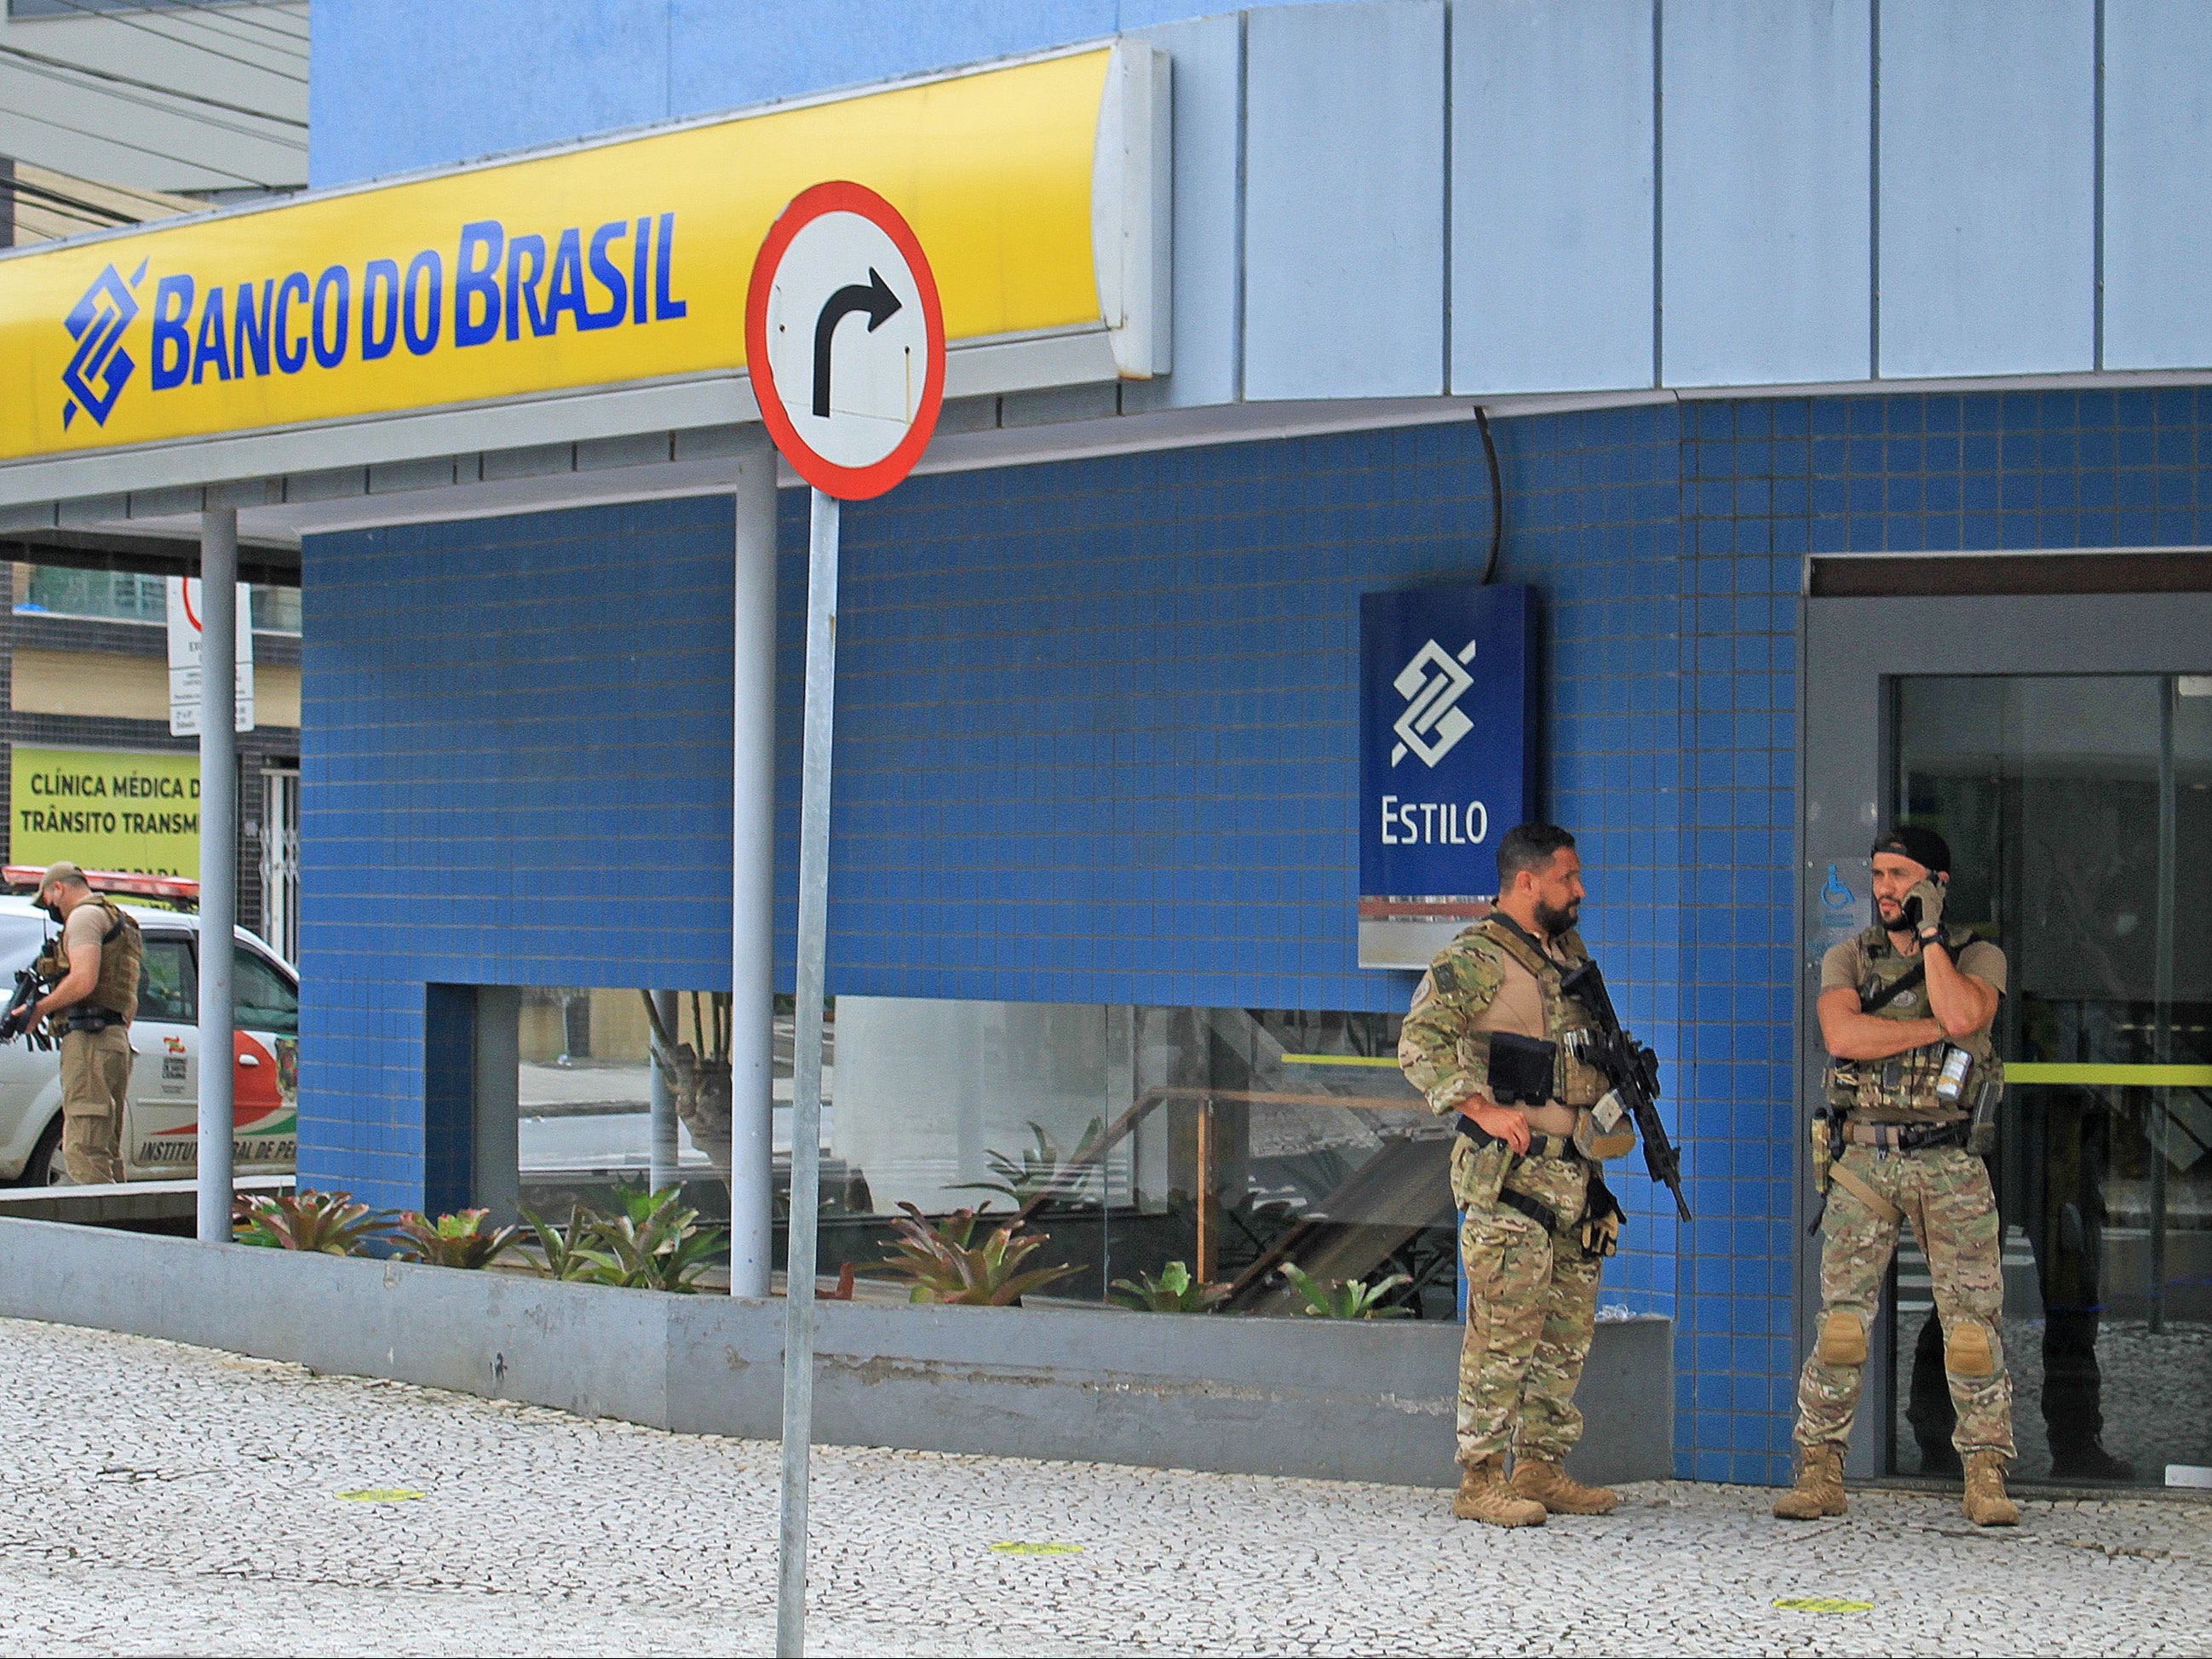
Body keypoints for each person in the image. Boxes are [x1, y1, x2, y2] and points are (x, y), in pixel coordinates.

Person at [1776, 825, 2019, 1527]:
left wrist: (1933, 939)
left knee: (1971, 1329)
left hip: (1949, 1159)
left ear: (1934, 883)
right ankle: (1820, 1470)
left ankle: (1985, 1473)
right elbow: (1844, 1037)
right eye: (1877, 875)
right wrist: (1936, 1032)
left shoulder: (1977, 953)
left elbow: (1970, 1010)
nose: (1883, 889)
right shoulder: (1848, 956)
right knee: (1841, 1329)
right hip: (1865, 1161)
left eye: (1899, 876)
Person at [1399, 822, 1630, 1528]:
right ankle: (1479, 1478)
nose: (1579, 889)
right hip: (1512, 1180)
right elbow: (1419, 1043)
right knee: (1502, 1331)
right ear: (1526, 882)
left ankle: (1540, 1464)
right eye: (1567, 877)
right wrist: (1477, 1107)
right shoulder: (1475, 957)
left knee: (1563, 1333)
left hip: (1574, 1176)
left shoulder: (1568, 955)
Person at [21, 863, 142, 1185]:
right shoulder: (116, 918)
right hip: (112, 1036)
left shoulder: (84, 917)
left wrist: (39, 1010)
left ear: (58, 888)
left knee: (84, 1147)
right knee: (105, 1149)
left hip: (91, 1038)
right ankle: (117, 1226)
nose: (51, 909)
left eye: (48, 900)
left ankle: (97, 1232)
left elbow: (83, 981)